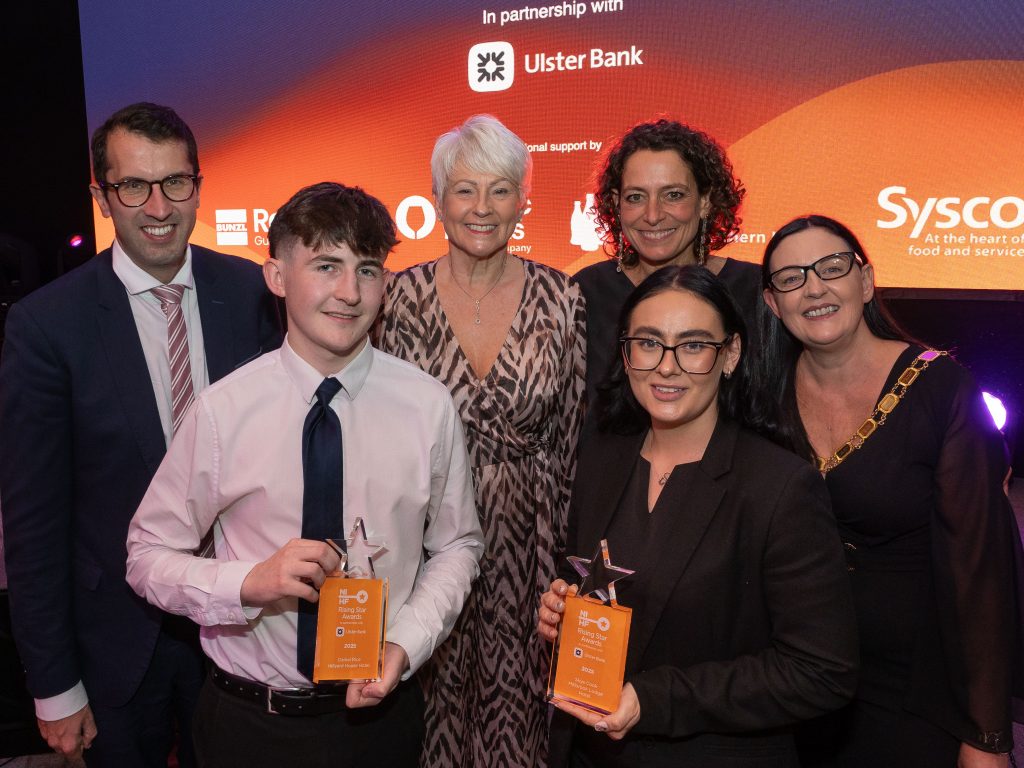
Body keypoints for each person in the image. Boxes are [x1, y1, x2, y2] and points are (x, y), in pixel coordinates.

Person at [126, 181, 484, 768]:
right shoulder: (223, 412)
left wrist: (406, 643)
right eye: (326, 265)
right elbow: (145, 555)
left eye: (367, 270)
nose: (349, 292)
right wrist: (248, 583)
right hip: (250, 725)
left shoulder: (428, 406)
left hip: (379, 718)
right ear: (276, 276)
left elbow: (458, 544)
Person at [0, 102, 281, 766]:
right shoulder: (48, 327)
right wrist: (54, 688)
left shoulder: (253, 294)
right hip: (117, 648)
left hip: (242, 630)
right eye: (133, 186)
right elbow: (34, 524)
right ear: (102, 196)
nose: (158, 207)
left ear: (199, 187)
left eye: (175, 183)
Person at [537, 265, 858, 767]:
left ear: (729, 354)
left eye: (692, 345)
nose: (666, 367)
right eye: (648, 343)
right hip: (589, 751)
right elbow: (599, 579)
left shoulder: (779, 487)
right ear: (625, 353)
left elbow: (821, 671)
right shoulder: (604, 455)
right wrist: (565, 608)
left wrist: (655, 700)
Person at [757, 214, 1023, 767]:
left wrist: (987, 735)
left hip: (916, 692)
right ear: (771, 303)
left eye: (832, 267)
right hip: (794, 686)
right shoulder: (762, 399)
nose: (814, 287)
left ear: (867, 280)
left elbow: (982, 572)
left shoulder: (939, 388)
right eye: (790, 278)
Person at [377, 114, 585, 768]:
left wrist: (567, 564)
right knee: (425, 696)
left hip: (528, 546)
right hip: (426, 539)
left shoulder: (562, 296)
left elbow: (571, 438)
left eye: (500, 189)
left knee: (518, 713)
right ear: (437, 199)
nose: (482, 208)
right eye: (465, 190)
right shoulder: (396, 298)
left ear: (523, 200)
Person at [573, 118, 760, 405]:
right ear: (616, 203)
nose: (652, 215)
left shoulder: (754, 291)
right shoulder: (586, 293)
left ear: (705, 201)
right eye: (635, 197)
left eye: (673, 195)